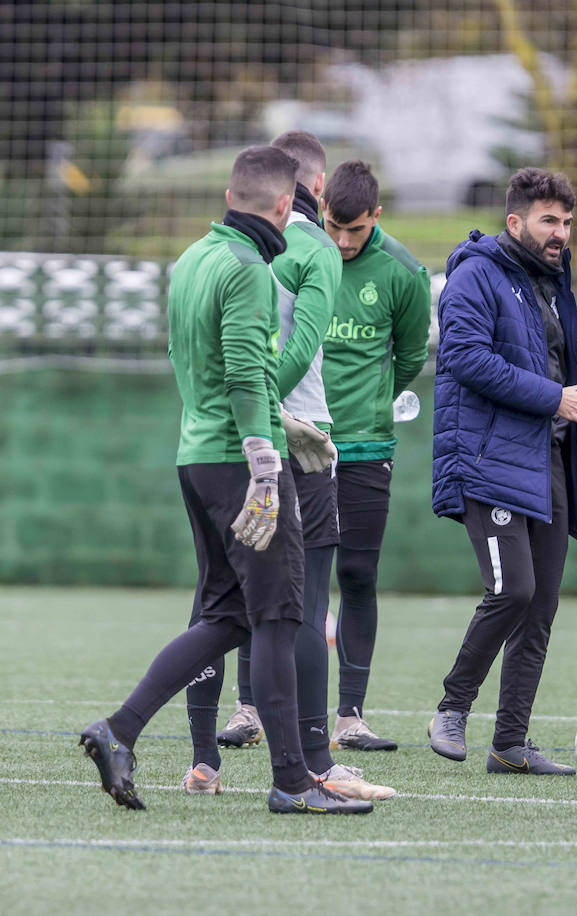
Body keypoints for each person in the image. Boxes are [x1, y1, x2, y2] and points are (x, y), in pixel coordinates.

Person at [77, 145, 370, 814]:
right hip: (242, 465)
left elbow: (203, 362)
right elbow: (243, 371)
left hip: (197, 457)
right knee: (276, 617)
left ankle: (117, 730)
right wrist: (268, 460)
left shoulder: (192, 260)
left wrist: (278, 418)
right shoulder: (248, 271)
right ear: (280, 206)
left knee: (228, 614)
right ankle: (294, 782)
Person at [428, 167, 577, 775]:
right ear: (515, 222)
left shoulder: (552, 283)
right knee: (513, 591)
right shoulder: (476, 274)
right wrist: (553, 399)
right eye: (548, 221)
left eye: (566, 221)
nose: (561, 232)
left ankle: (510, 745)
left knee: (540, 609)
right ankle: (452, 707)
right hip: (488, 463)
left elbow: (567, 387)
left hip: (548, 464)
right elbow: (461, 357)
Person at [197, 131, 393, 800]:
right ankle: (314, 758)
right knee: (303, 606)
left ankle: (204, 760)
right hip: (298, 443)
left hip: (214, 442)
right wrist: (270, 416)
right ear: (315, 186)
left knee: (217, 599)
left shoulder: (214, 250)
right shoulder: (312, 249)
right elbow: (297, 349)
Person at [319, 160, 432, 751]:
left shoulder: (404, 273)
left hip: (366, 446)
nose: (341, 241)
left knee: (356, 574)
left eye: (355, 230)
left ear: (376, 219)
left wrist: (369, 403)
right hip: (299, 443)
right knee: (283, 579)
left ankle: (350, 717)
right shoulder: (295, 257)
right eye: (333, 226)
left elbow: (411, 356)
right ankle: (250, 708)